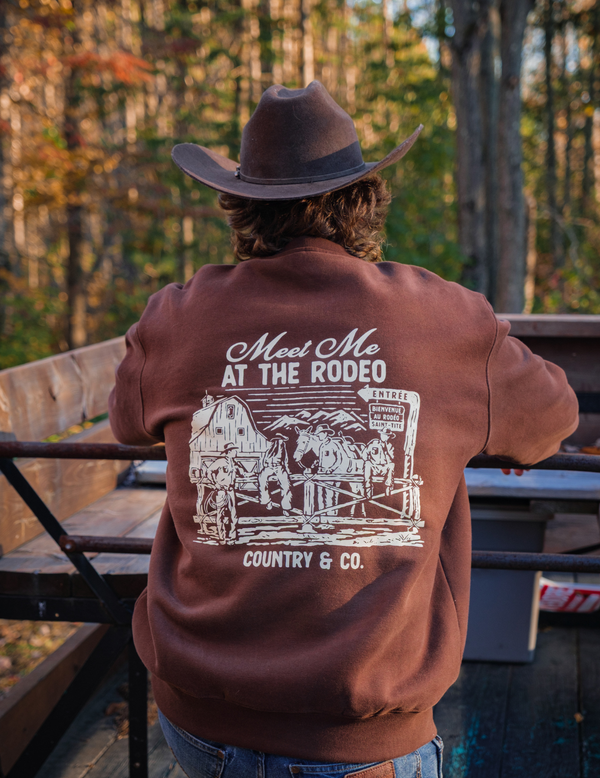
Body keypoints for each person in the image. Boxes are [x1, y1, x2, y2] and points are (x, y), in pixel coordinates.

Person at [109, 81, 579, 778]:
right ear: (364, 199)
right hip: (359, 742)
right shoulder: (447, 318)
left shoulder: (176, 315)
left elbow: (126, 424)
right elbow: (552, 420)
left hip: (197, 716)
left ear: (238, 205)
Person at [259, 433, 293, 515]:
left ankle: (286, 506)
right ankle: (266, 500)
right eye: (280, 440)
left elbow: (285, 461)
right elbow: (264, 461)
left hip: (279, 467)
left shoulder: (283, 450)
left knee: (285, 484)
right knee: (262, 478)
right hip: (269, 467)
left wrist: (287, 471)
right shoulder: (269, 450)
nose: (282, 442)